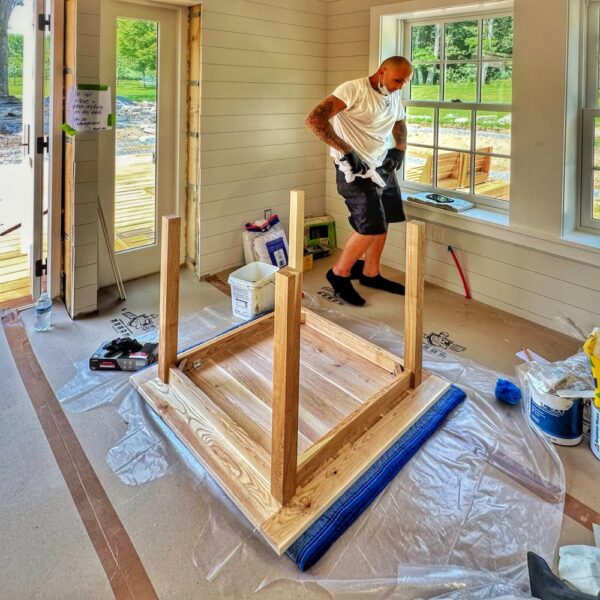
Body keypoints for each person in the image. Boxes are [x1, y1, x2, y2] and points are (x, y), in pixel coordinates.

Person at [305, 56, 413, 306]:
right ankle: (339, 274)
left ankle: (370, 274)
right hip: (354, 170)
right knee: (370, 226)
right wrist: (346, 150)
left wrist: (400, 147)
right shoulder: (353, 89)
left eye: (405, 82)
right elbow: (315, 119)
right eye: (398, 80)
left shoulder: (392, 94)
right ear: (382, 71)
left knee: (385, 220)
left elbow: (399, 121)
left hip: (381, 164)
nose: (400, 86)